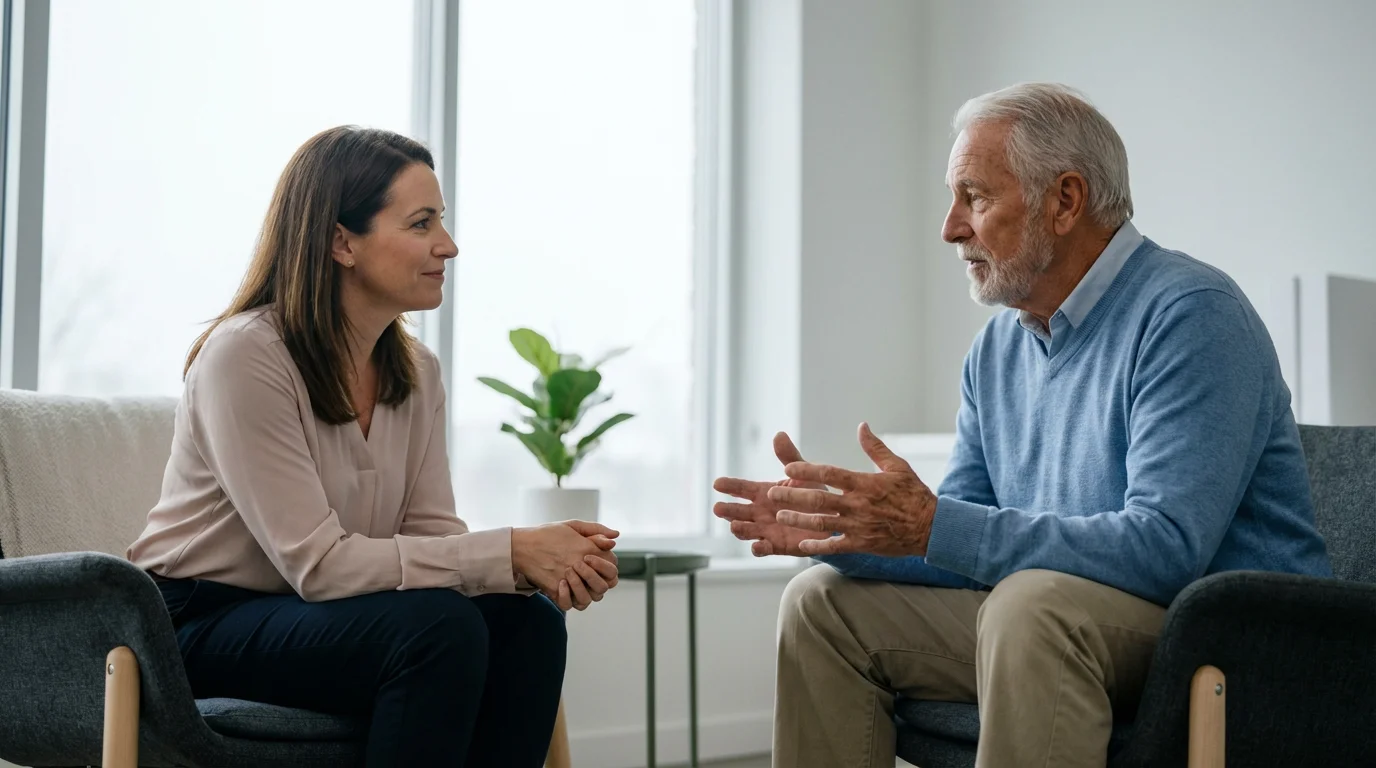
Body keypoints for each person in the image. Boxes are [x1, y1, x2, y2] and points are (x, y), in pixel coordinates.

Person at [714, 83, 1332, 768]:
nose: (950, 227)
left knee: (1030, 605)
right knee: (821, 605)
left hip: (1238, 640)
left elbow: (1166, 547)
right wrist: (843, 533)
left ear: (1064, 201)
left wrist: (931, 525)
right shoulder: (998, 350)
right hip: (1061, 625)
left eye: (973, 197)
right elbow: (964, 541)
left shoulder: (1192, 314)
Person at [126, 126, 619, 767]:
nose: (449, 245)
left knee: (526, 623)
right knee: (439, 631)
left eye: (441, 220)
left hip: (324, 618)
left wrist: (528, 570)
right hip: (197, 626)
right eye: (420, 224)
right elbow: (320, 565)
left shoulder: (418, 372)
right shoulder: (246, 356)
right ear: (341, 242)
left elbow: (434, 538)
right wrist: (511, 549)